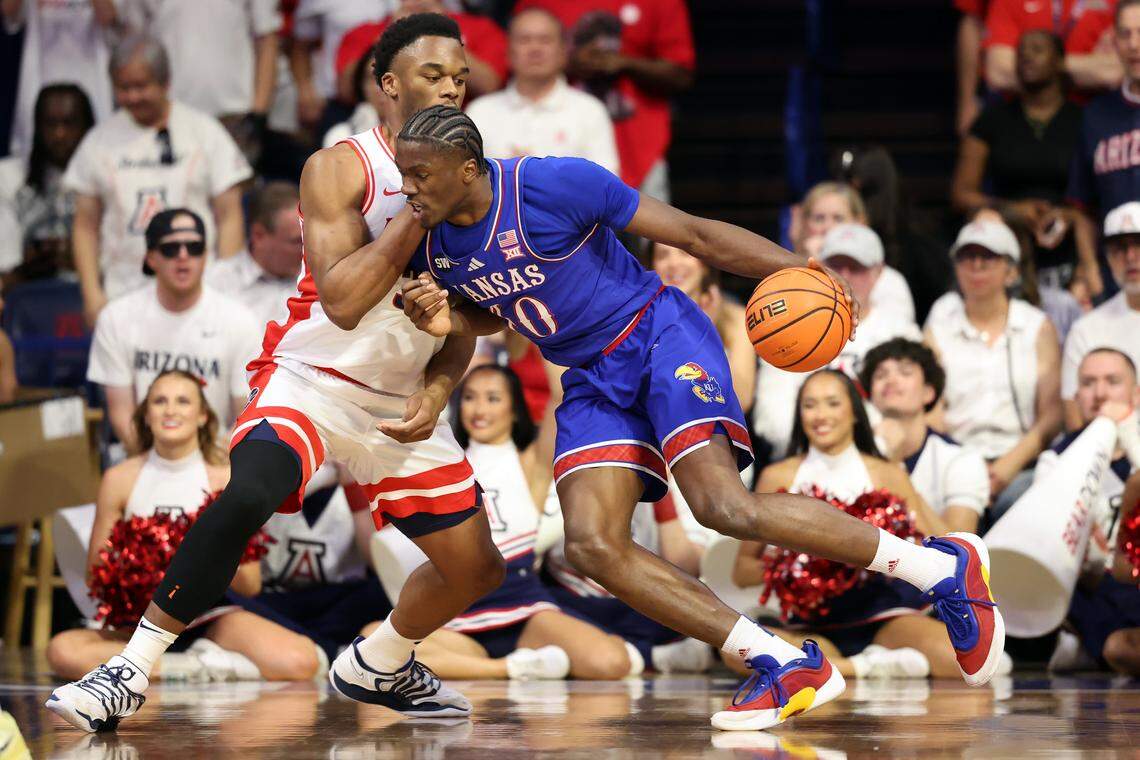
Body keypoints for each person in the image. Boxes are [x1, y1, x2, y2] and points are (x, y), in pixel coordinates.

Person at [396, 105, 1005, 731]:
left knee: (724, 507)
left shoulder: (552, 184)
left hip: (656, 334)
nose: (408, 188)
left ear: (468, 167)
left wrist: (795, 267)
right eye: (402, 173)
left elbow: (693, 235)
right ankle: (777, 660)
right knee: (591, 545)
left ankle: (938, 568)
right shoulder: (432, 241)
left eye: (420, 174)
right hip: (588, 377)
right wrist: (448, 329)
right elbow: (490, 311)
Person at [46, 14, 499, 733]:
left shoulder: (480, 180)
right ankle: (127, 671)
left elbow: (482, 318)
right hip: (314, 380)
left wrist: (440, 388)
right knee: (248, 491)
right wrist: (422, 207)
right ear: (388, 84)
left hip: (402, 400)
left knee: (477, 570)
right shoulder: (341, 166)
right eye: (433, 74)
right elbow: (346, 301)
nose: (451, 87)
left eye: (460, 77)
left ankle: (379, 660)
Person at [45, 371, 325, 684]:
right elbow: (94, 573)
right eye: (160, 401)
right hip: (137, 619)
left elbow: (250, 585)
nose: (170, 410)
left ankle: (163, 667)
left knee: (301, 660)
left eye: (183, 401)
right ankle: (193, 668)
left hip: (209, 617)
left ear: (203, 416)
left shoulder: (226, 478)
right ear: (146, 414)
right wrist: (144, 562)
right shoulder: (119, 479)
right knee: (62, 650)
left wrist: (196, 551)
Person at [367, 363, 635, 681]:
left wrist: (543, 324)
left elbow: (558, 397)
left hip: (521, 604)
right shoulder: (438, 460)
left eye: (493, 398)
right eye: (469, 397)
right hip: (453, 608)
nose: (479, 409)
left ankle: (481, 668)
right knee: (371, 638)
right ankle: (509, 668)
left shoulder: (531, 462)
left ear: (515, 408)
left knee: (610, 662)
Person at [734, 370, 963, 681]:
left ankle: (829, 670)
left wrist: (904, 484)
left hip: (880, 617)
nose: (820, 415)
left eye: (832, 403)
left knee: (960, 658)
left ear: (855, 412)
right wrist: (798, 567)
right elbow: (742, 570)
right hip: (808, 622)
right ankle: (864, 668)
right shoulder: (777, 476)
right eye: (809, 405)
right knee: (735, 650)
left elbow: (938, 549)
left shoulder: (886, 472)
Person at [63, 34, 252, 326]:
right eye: (123, 88)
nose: (132, 96)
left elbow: (229, 215)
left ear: (165, 83)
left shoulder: (204, 132)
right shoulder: (98, 141)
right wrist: (92, 295)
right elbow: (85, 226)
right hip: (121, 295)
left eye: (141, 86)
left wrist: (225, 287)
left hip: (199, 294)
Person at [86, 209, 261, 452]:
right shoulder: (116, 318)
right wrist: (162, 468)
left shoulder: (240, 321)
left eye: (194, 247)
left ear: (206, 255)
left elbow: (245, 415)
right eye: (170, 248)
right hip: (143, 457)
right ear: (150, 258)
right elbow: (121, 415)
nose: (183, 256)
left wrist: (203, 469)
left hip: (218, 459)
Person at [924, 219, 1062, 515]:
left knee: (1023, 499)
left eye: (987, 257)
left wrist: (1009, 464)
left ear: (1011, 271)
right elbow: (931, 407)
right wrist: (965, 471)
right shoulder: (939, 326)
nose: (975, 266)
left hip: (1019, 460)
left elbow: (1052, 412)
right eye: (967, 257)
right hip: (955, 459)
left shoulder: (1036, 326)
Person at [753, 223, 921, 461]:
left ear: (878, 272)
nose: (846, 276)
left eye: (856, 267)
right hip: (801, 459)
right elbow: (771, 419)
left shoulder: (900, 331)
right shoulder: (786, 325)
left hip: (878, 462)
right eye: (835, 265)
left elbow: (911, 415)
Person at [952, 30, 1097, 298]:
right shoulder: (992, 120)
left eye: (1038, 49)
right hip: (1006, 248)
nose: (1027, 56)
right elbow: (961, 194)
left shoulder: (1084, 120)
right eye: (1021, 51)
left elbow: (1097, 194)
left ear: (1060, 61)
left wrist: (1067, 215)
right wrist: (1011, 209)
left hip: (1069, 253)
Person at [513, 0, 694, 201]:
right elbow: (517, 54)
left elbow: (681, 74)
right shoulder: (536, 4)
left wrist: (625, 63)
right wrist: (569, 60)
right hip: (564, 136)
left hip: (641, 143)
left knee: (654, 229)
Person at [117, 0, 282, 164]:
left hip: (235, 115)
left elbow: (267, 39)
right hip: (169, 116)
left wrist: (259, 112)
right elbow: (134, 41)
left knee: (239, 189)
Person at [466, 7, 619, 174]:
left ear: (563, 51)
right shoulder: (480, 112)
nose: (535, 49)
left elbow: (607, 187)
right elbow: (466, 185)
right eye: (524, 40)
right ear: (508, 51)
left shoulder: (590, 111)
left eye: (545, 40)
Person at [861, 338, 990, 534]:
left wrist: (895, 468)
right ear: (870, 394)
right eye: (880, 375)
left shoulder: (962, 460)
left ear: (928, 393)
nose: (891, 380)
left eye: (905, 372)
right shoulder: (854, 451)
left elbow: (957, 553)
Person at [1066, 0, 1140, 296]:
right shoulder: (1095, 115)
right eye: (1125, 34)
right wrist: (1090, 270)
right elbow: (1082, 206)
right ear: (1113, 41)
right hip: (1117, 281)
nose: (1134, 44)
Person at [0, 85, 94, 282]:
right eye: (50, 124)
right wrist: (31, 264)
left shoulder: (108, 176)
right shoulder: (8, 176)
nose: (59, 134)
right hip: (26, 296)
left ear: (88, 127)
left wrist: (83, 257)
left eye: (69, 124)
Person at [335, 0, 508, 104]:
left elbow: (489, 85)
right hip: (382, 124)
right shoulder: (364, 33)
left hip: (459, 123)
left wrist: (441, 31)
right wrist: (394, 32)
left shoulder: (481, 28)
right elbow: (347, 90)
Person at [792, 180, 916, 324]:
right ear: (805, 223)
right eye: (819, 218)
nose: (828, 227)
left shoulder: (888, 279)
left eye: (838, 218)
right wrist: (811, 265)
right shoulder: (790, 273)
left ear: (859, 222)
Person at [650, 242, 754, 414]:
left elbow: (742, 400)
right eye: (662, 255)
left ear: (705, 264)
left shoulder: (736, 319)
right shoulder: (642, 322)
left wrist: (706, 333)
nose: (674, 263)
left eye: (685, 253)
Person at [1063, 202, 1140, 431]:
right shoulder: (1087, 329)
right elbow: (1074, 419)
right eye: (1119, 248)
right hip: (1110, 456)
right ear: (1107, 258)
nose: (1131, 257)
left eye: (1139, 244)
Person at [3, 0, 116, 156]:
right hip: (39, 78)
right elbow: (7, 10)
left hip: (91, 81)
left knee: (98, 151)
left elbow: (109, 18)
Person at [206, 182, 303, 326]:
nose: (306, 250)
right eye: (296, 242)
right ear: (259, 235)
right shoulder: (215, 283)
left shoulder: (320, 284)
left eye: (310, 240)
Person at [982, 0, 1120, 94]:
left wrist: (1036, 68)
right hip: (1022, 117)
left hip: (1097, 116)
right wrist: (1088, 68)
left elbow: (1116, 71)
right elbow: (998, 73)